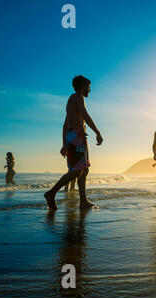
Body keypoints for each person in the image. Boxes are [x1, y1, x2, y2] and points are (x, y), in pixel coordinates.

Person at [43, 76, 103, 211]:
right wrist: (97, 132)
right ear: (83, 86)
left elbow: (65, 125)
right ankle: (51, 193)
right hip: (76, 137)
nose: (90, 90)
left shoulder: (71, 100)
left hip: (75, 137)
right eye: (89, 87)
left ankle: (83, 201)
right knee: (77, 171)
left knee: (85, 170)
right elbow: (85, 115)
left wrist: (64, 144)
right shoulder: (78, 97)